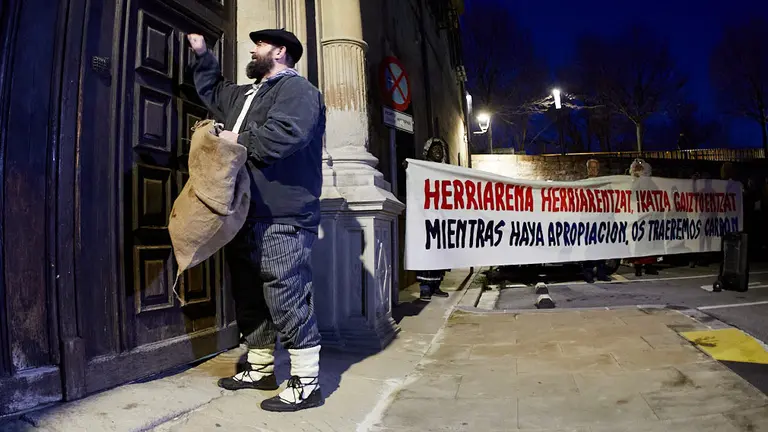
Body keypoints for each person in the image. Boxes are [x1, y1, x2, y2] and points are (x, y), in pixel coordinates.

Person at [187, 29, 326, 412]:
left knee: (287, 294)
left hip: (283, 212)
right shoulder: (246, 95)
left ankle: (307, 382)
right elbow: (213, 90)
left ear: (280, 52)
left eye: (260, 45)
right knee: (250, 294)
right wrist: (202, 53)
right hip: (243, 212)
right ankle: (261, 368)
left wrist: (237, 138)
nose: (252, 49)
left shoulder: (299, 91)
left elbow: (286, 134)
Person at [417, 140, 450, 300]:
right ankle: (425, 288)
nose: (437, 152)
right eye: (434, 149)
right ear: (428, 151)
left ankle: (436, 286)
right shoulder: (421, 169)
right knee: (427, 252)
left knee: (440, 253)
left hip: (442, 218)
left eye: (440, 149)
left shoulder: (445, 171)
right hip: (426, 217)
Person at [581, 159, 611, 283]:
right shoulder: (582, 184)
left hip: (600, 221)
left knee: (601, 247)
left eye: (595, 168)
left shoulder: (603, 184)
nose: (593, 170)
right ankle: (588, 272)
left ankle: (601, 272)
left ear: (598, 170)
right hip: (587, 221)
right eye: (590, 168)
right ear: (587, 169)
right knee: (588, 248)